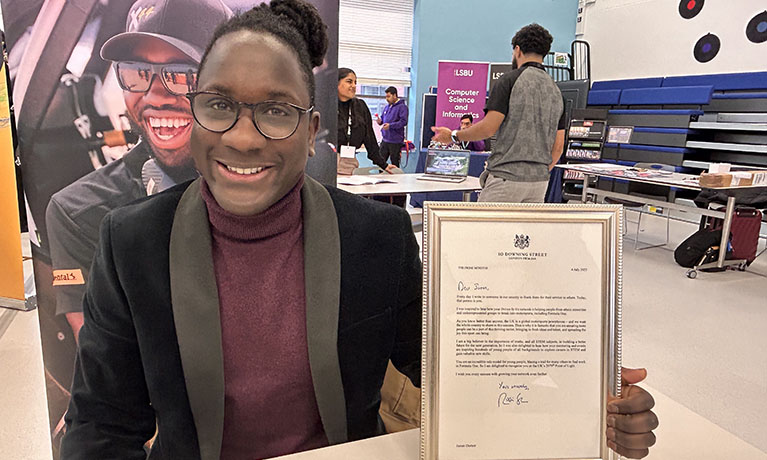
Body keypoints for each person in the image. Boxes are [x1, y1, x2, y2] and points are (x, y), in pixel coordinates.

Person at [61, 2, 658, 458]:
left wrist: (587, 400)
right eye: (218, 104)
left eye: (276, 110)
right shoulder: (131, 244)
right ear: (194, 115)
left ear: (313, 128)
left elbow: (456, 369)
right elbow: (103, 423)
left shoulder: (378, 240)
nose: (243, 137)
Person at [45, 0, 232, 339]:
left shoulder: (272, 189)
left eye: (183, 75)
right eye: (137, 72)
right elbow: (104, 364)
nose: (155, 95)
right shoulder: (79, 212)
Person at [432, 23, 566, 203]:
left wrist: (454, 136)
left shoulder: (508, 81)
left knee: (486, 231)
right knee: (523, 232)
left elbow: (488, 129)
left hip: (506, 179)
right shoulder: (556, 91)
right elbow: (558, 147)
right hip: (539, 182)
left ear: (517, 50)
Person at [337, 67, 396, 173]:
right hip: (328, 163)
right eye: (349, 82)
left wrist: (383, 164)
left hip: (350, 165)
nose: (354, 86)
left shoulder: (360, 106)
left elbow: (370, 138)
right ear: (336, 83)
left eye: (355, 82)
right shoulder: (326, 106)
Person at [374, 86, 408, 166]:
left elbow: (403, 122)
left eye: (388, 96)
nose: (387, 99)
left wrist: (390, 126)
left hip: (395, 141)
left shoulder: (402, 107)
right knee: (380, 163)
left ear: (395, 95)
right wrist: (380, 121)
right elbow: (383, 119)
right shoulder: (387, 107)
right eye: (386, 96)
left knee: (395, 164)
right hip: (385, 140)